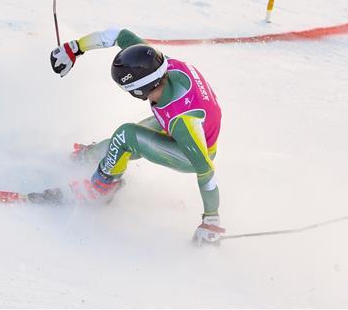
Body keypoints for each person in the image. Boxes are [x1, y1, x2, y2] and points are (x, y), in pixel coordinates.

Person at [49, 28, 225, 245]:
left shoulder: (183, 123)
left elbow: (205, 169)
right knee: (122, 140)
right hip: (180, 119)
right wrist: (75, 48)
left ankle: (103, 185)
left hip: (191, 150)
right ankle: (93, 156)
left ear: (139, 91)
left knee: (127, 135)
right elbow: (118, 34)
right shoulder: (160, 65)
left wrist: (211, 220)